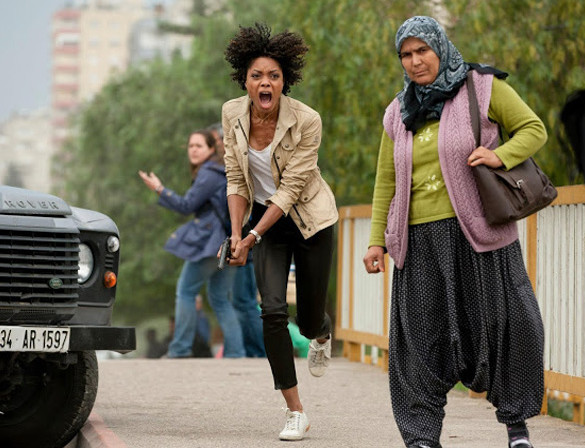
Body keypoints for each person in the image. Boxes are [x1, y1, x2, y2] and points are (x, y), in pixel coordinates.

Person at [362, 16, 546, 448]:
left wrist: (500, 156)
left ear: (440, 48)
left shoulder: (481, 88)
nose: (414, 61)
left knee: (508, 326)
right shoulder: (398, 112)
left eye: (422, 51)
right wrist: (375, 240)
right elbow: (386, 181)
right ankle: (422, 437)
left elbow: (533, 129)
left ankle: (516, 427)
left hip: (480, 234)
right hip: (418, 241)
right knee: (419, 342)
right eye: (406, 55)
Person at [221, 23, 338, 441]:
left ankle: (322, 331)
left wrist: (251, 236)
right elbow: (236, 177)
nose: (265, 83)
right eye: (257, 76)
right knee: (271, 311)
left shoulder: (307, 120)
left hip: (310, 222)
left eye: (273, 75)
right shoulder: (232, 114)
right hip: (263, 226)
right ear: (245, 80)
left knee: (306, 321)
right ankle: (295, 411)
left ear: (285, 80)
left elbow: (290, 190)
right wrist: (237, 235)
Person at [139, 129, 245, 358]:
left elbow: (186, 205)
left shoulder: (209, 173)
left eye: (199, 146)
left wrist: (159, 189)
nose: (193, 150)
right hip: (228, 243)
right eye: (190, 146)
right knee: (221, 299)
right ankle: (236, 353)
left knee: (186, 291)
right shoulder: (222, 171)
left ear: (211, 149)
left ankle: (179, 349)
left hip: (211, 243)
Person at [209, 122, 266, 358]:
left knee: (244, 302)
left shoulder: (240, 168)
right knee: (245, 301)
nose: (216, 147)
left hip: (246, 245)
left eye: (217, 141)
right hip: (244, 243)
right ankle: (255, 351)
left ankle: (259, 352)